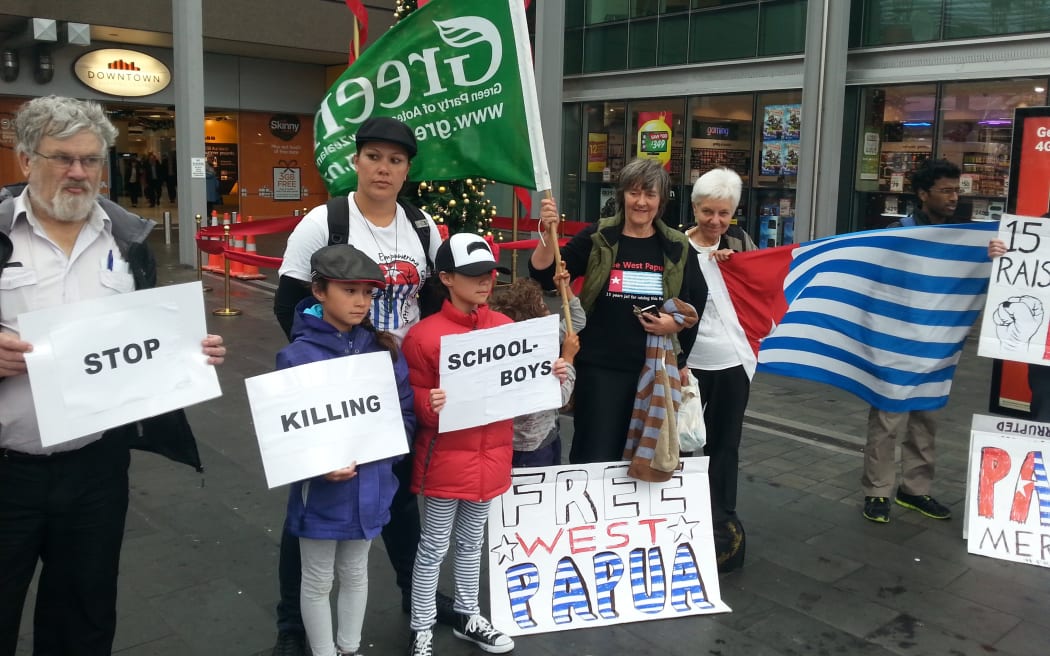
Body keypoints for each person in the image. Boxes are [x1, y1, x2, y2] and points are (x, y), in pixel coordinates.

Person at [0, 95, 226, 656]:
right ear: (25, 160)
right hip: (7, 473)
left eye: (91, 160)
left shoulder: (127, 240)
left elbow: (141, 339)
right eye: (62, 158)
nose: (79, 173)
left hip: (96, 468)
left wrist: (186, 351)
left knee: (85, 614)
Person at [271, 116, 448, 656]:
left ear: (407, 170)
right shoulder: (325, 221)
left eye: (395, 161)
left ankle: (411, 596)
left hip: (400, 379)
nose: (384, 168)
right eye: (374, 156)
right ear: (357, 161)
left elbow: (435, 301)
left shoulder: (421, 227)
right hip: (339, 379)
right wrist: (333, 371)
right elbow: (288, 302)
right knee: (316, 504)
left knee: (395, 490)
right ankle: (293, 626)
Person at [403, 233, 566, 656]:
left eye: (490, 272)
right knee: (435, 544)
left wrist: (551, 371)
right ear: (446, 278)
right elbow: (412, 397)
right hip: (445, 458)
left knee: (473, 540)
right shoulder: (423, 336)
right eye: (474, 274)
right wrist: (428, 402)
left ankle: (468, 613)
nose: (486, 281)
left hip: (492, 453)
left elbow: (524, 383)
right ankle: (421, 624)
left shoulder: (504, 328)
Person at [278, 244, 415, 656]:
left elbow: (404, 411)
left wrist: (387, 454)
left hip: (371, 485)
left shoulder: (383, 349)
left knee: (356, 572)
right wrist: (318, 466)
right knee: (317, 579)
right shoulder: (297, 356)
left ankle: (349, 648)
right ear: (319, 291)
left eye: (368, 293)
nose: (361, 301)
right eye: (350, 290)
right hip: (321, 493)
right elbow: (286, 431)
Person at [529, 157, 702, 465]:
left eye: (650, 195)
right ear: (622, 195)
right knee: (595, 455)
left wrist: (672, 327)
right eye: (634, 193)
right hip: (600, 369)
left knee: (645, 457)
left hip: (653, 370)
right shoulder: (600, 237)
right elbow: (544, 273)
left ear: (660, 201)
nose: (641, 202)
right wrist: (547, 230)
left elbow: (691, 303)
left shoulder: (676, 245)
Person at [862, 158, 961, 523]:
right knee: (888, 418)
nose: (954, 197)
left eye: (956, 189)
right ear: (923, 194)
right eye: (946, 190)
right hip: (897, 341)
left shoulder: (960, 239)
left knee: (926, 417)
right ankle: (877, 491)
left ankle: (915, 489)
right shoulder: (898, 234)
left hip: (938, 344)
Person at [682, 167, 757, 573]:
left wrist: (736, 265)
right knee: (678, 443)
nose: (715, 221)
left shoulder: (741, 246)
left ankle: (721, 521)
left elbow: (761, 292)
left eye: (724, 213)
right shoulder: (676, 247)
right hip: (689, 365)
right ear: (694, 207)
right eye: (708, 211)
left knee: (725, 445)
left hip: (732, 362)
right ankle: (675, 514)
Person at [488, 268, 582, 467]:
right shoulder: (527, 356)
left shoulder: (542, 337)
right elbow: (559, 397)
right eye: (542, 306)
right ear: (533, 315)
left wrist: (566, 291)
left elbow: (577, 319)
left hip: (543, 436)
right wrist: (568, 358)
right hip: (532, 447)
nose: (548, 309)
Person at [987, 238, 1050, 420]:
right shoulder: (1042, 229)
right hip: (1046, 358)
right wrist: (1000, 257)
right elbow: (1022, 258)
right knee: (1044, 421)